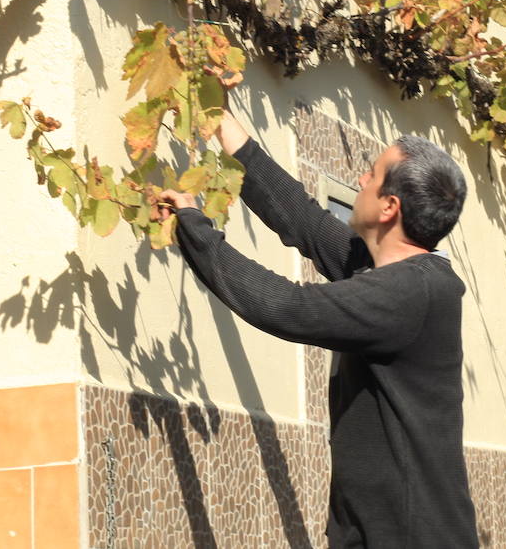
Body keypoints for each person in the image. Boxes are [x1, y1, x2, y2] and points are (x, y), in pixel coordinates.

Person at [157, 109, 480, 548]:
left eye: (372, 173)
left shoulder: (409, 293)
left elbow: (285, 306)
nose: (361, 180)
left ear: (390, 206)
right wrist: (220, 118)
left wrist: (195, 227)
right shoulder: (381, 270)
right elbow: (300, 218)